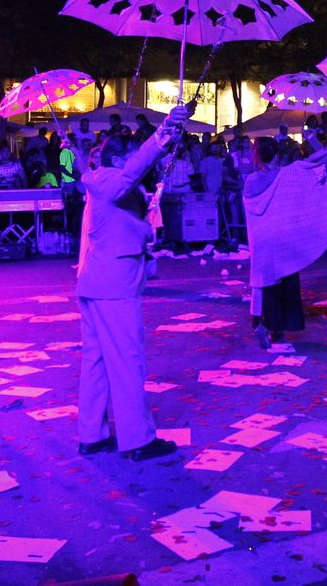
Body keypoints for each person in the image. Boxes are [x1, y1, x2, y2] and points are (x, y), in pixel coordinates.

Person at [75, 103, 192, 461]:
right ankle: (136, 439)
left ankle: (92, 433)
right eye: (131, 153)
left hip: (100, 284)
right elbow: (133, 170)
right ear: (117, 158)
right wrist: (162, 132)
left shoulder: (112, 187)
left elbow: (131, 220)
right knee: (127, 361)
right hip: (113, 288)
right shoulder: (110, 179)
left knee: (96, 363)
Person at [245, 131, 327, 348]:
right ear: (276, 156)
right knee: (283, 283)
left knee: (263, 283)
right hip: (281, 239)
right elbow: (308, 164)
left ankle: (260, 323)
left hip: (259, 240)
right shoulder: (283, 176)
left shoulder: (250, 181)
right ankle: (274, 329)